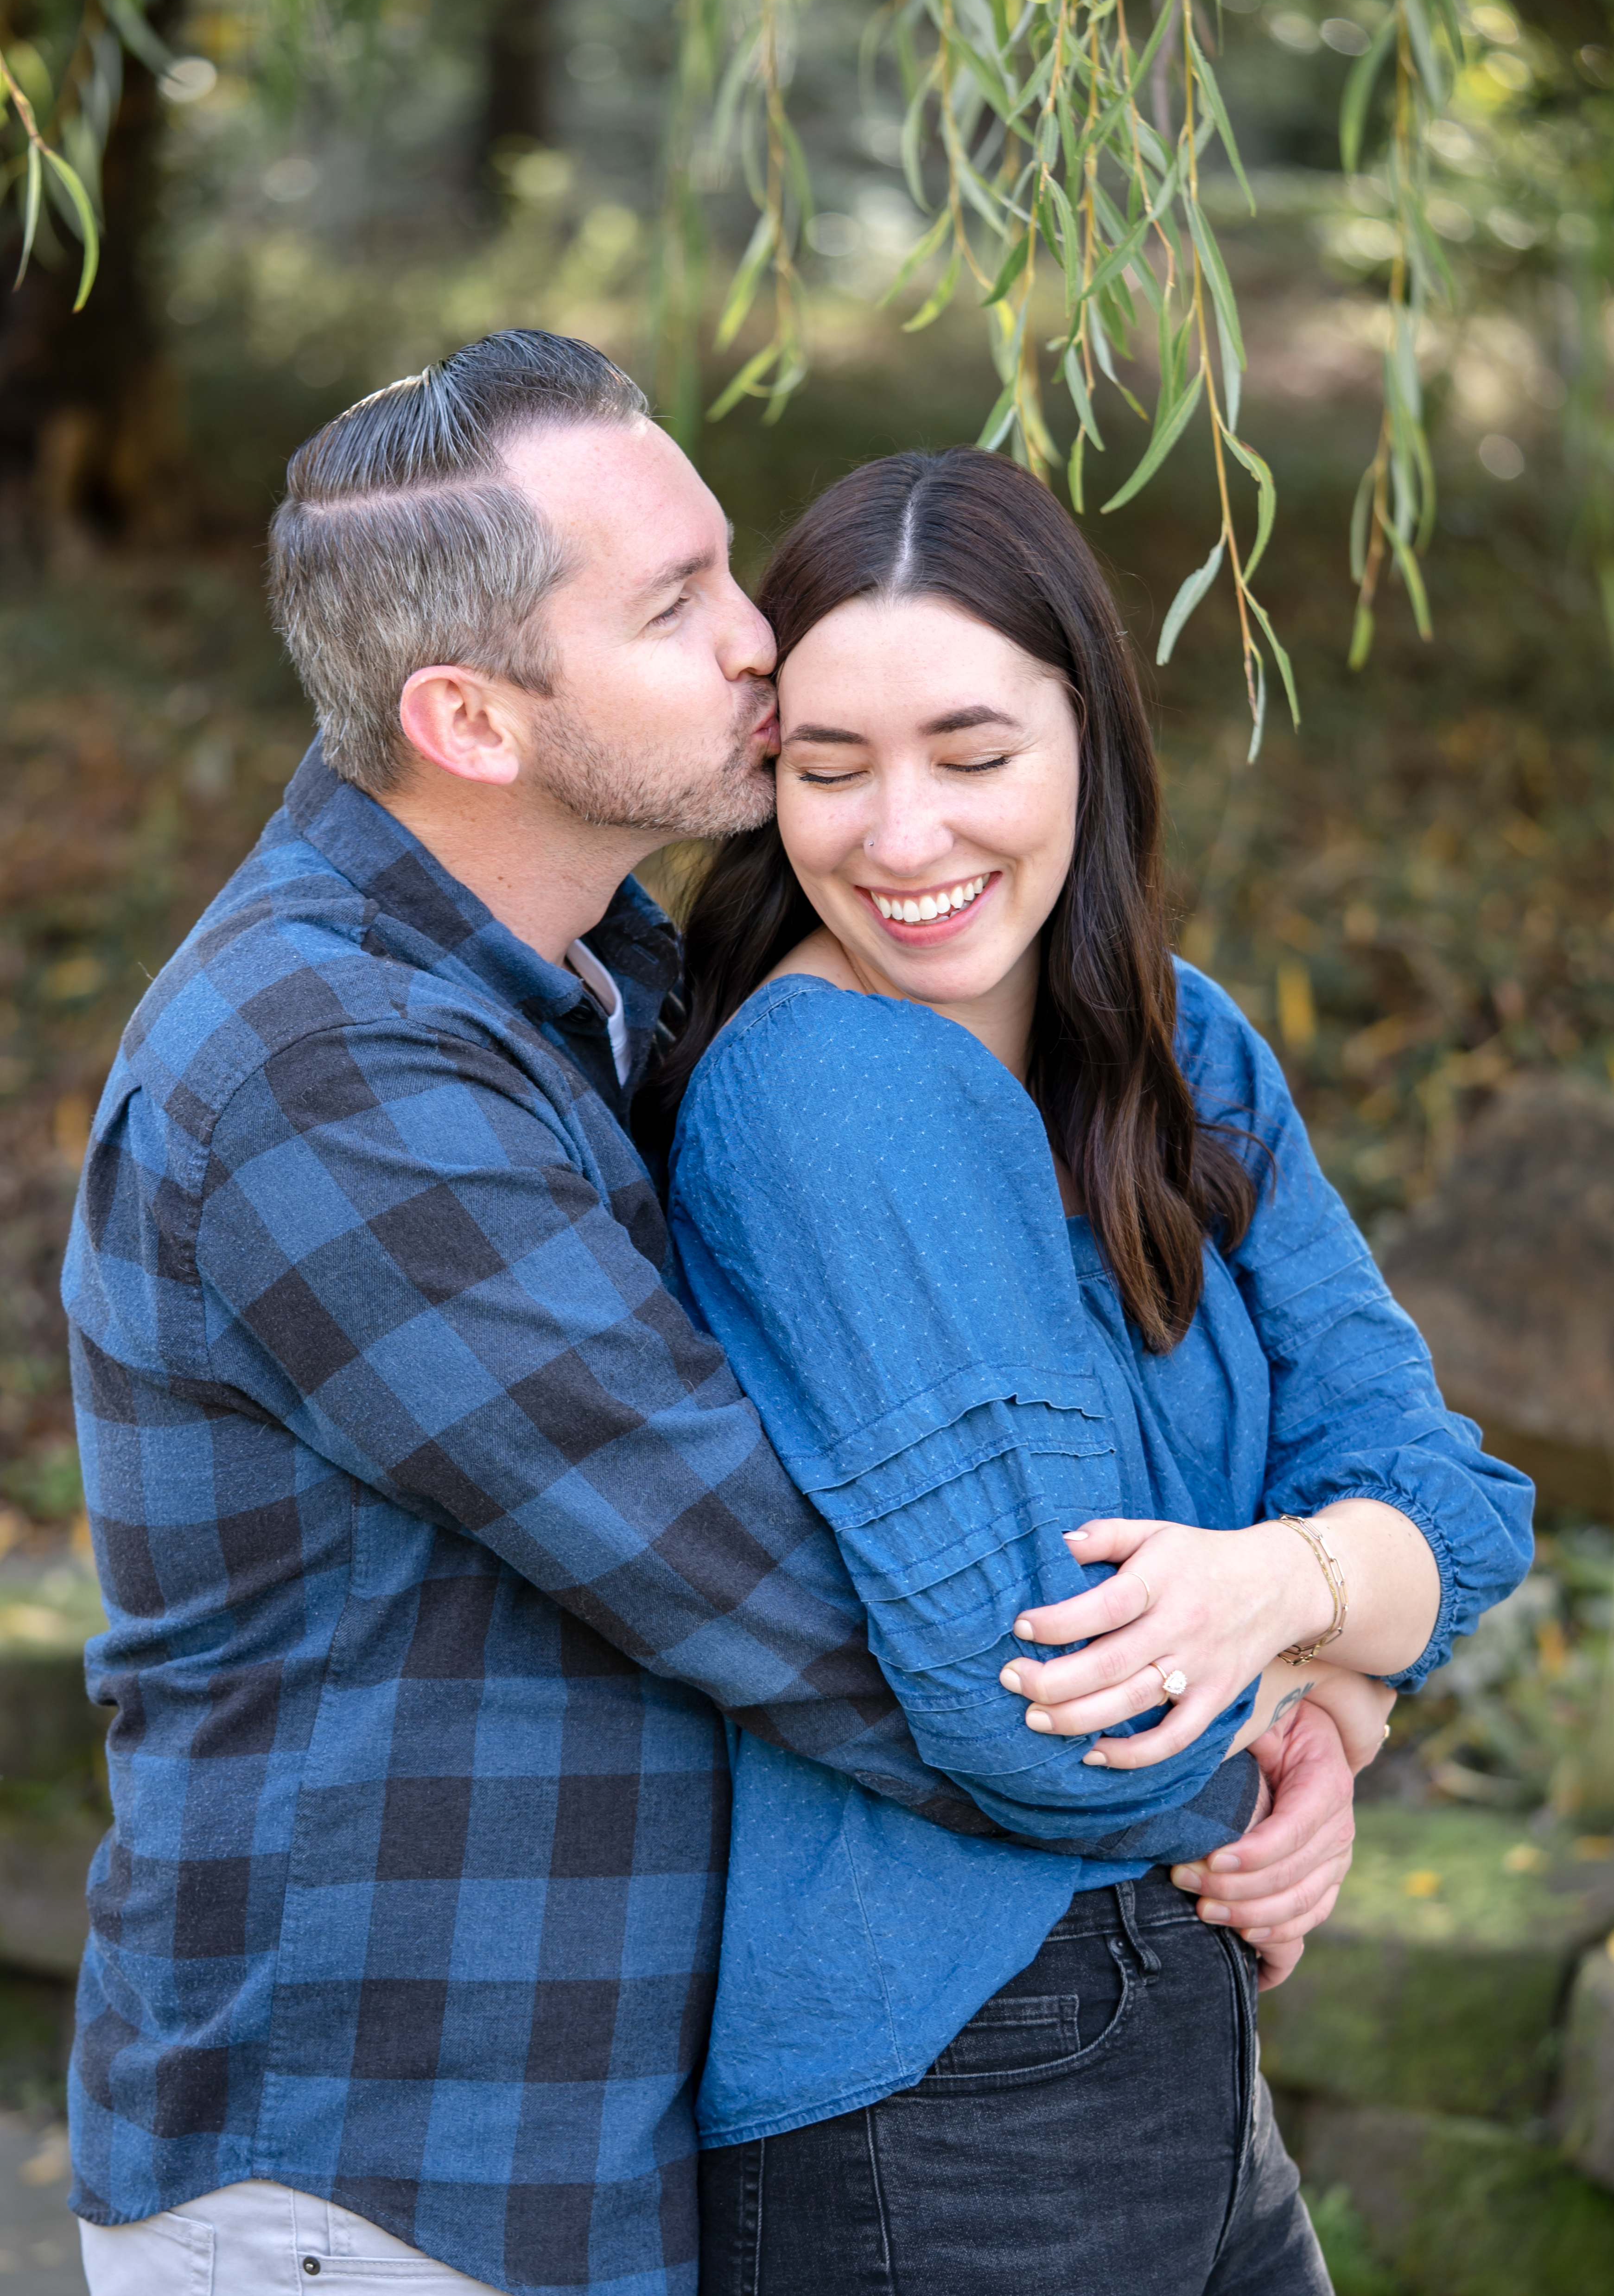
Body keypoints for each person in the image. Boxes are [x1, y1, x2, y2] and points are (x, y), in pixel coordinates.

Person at [63, 333, 1363, 2296]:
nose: (767, 643)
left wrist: (1315, 1630)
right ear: (474, 720)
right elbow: (801, 1594)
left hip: (579, 2146)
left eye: (725, 566)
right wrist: (1242, 1746)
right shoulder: (323, 1076)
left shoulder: (595, 989)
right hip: (381, 2180)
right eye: (676, 608)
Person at [648, 447, 1535, 2296]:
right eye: (828, 770)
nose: (903, 838)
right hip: (941, 2092)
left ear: (1089, 740)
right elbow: (1037, 1710)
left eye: (973, 756)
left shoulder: (1176, 1039)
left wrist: (1292, 1616)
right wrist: (1326, 1676)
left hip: (1173, 2040)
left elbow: (1455, 1491)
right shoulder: (819, 1089)